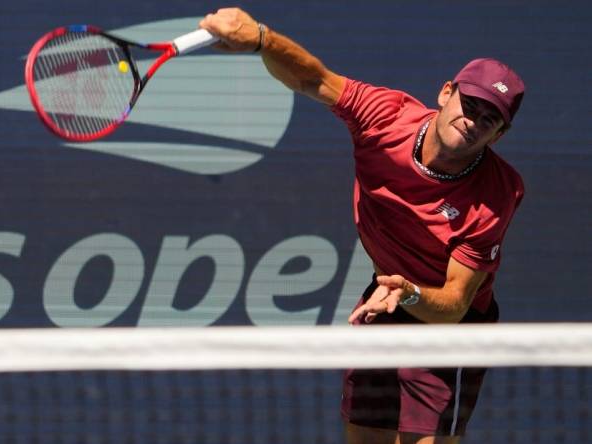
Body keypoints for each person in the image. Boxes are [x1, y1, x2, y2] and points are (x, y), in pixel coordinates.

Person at [200, 8, 525, 444]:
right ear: (446, 93)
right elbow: (312, 78)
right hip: (384, 299)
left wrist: (408, 292)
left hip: (450, 325)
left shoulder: (498, 191)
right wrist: (260, 38)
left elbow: (452, 303)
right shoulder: (386, 117)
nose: (474, 121)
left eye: (490, 119)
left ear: (499, 135)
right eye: (471, 105)